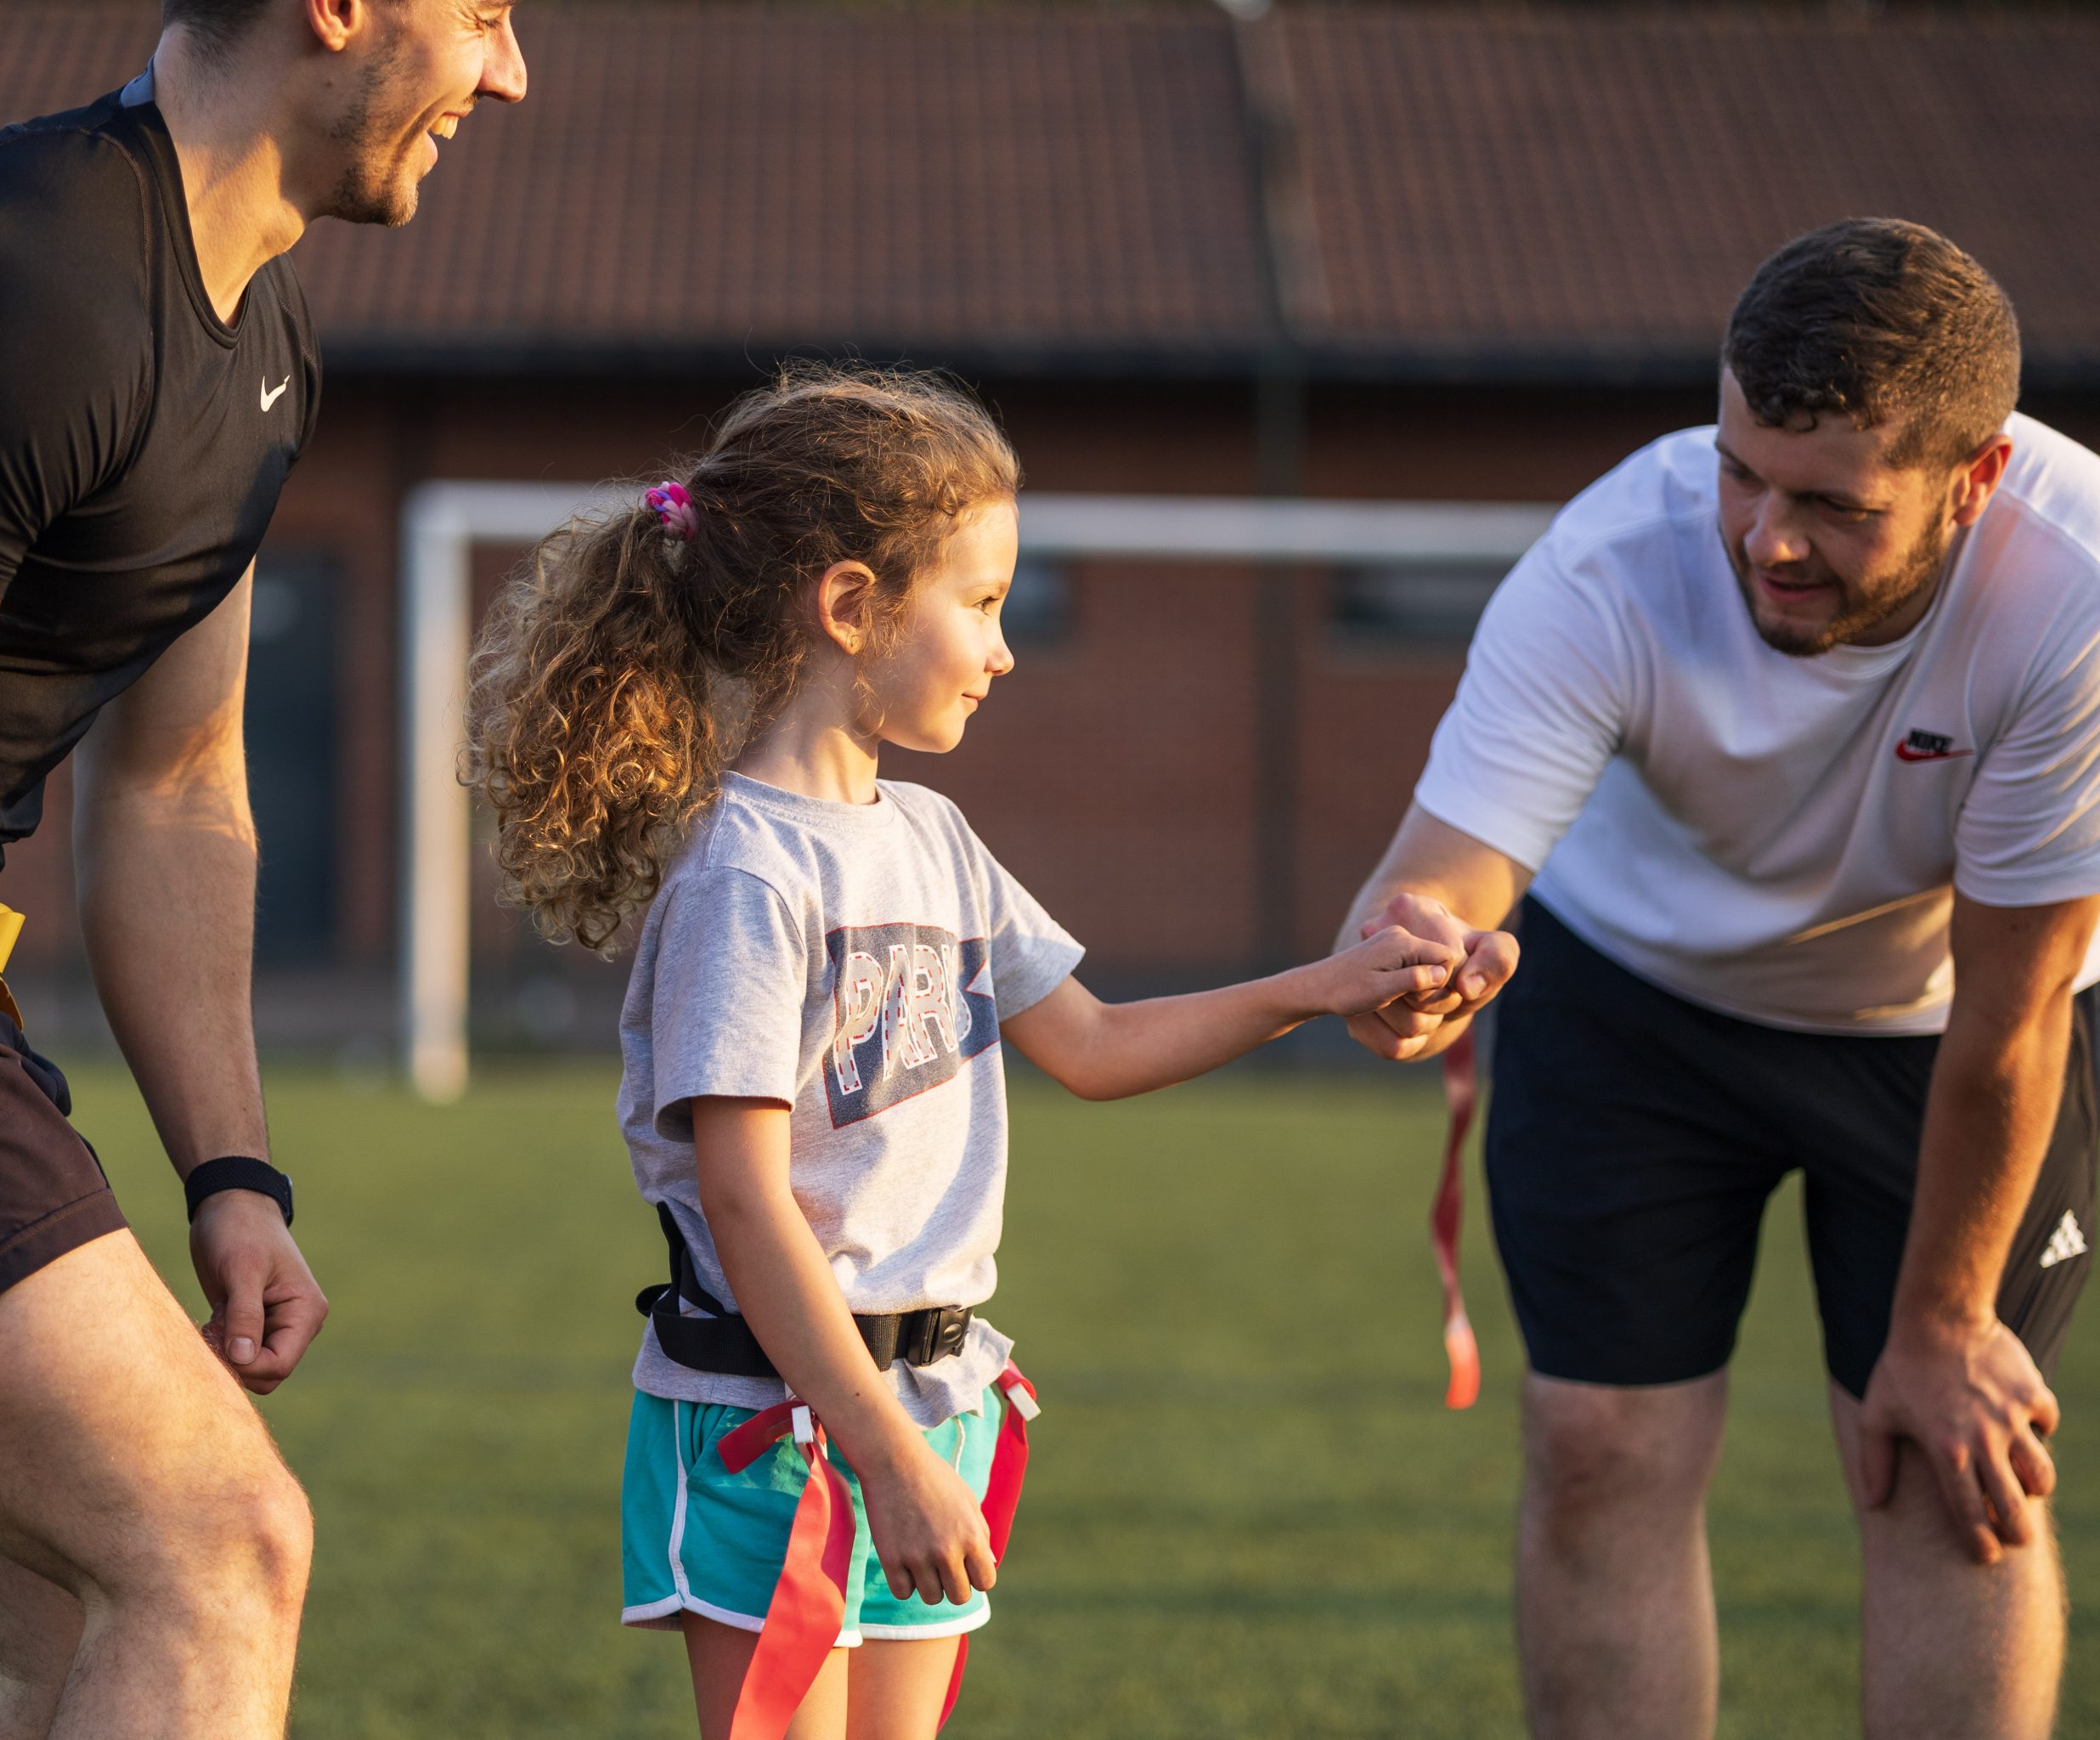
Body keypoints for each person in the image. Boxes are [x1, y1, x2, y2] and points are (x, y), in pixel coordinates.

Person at [462, 365, 1460, 1740]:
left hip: (938, 1407)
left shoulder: (933, 837)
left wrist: (1328, 986)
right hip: (779, 1431)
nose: (1004, 650)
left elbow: (1095, 1044)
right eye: (982, 604)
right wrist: (880, 1455)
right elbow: (747, 1202)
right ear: (851, 605)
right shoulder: (746, 878)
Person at [1337, 218, 2100, 1740]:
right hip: (1633, 1001)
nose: (1765, 539)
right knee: (1598, 1447)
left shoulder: (2076, 590)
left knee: (1946, 1467)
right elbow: (1434, 881)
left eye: (1833, 504)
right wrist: (1411, 959)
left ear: (1976, 479)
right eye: (1742, 473)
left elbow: (2013, 1011)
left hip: (1946, 1029)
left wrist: (1944, 1323)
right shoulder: (1609, 562)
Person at [0, 3, 524, 1734]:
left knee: (88, 1644)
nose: (508, 73)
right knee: (216, 1552)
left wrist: (233, 1172)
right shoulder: (31, 271)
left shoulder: (265, 342)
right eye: (483, 15)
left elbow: (179, 786)